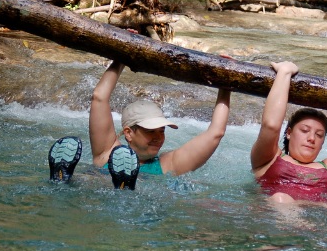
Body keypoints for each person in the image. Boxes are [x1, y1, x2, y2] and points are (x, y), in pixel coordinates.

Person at [49, 60, 231, 188]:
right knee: (87, 181)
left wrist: (225, 84)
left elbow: (215, 132)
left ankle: (122, 186)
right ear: (128, 133)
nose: (159, 137)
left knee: (102, 182)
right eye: (151, 131)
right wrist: (121, 57)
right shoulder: (107, 152)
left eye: (162, 131)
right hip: (99, 201)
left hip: (127, 207)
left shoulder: (171, 163)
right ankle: (64, 179)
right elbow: (99, 97)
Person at [250, 60, 327, 231]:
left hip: (325, 219)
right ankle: (305, 231)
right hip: (281, 220)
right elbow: (270, 126)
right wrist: (284, 73)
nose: (311, 138)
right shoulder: (268, 159)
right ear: (289, 133)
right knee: (281, 198)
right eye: (305, 130)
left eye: (319, 135)